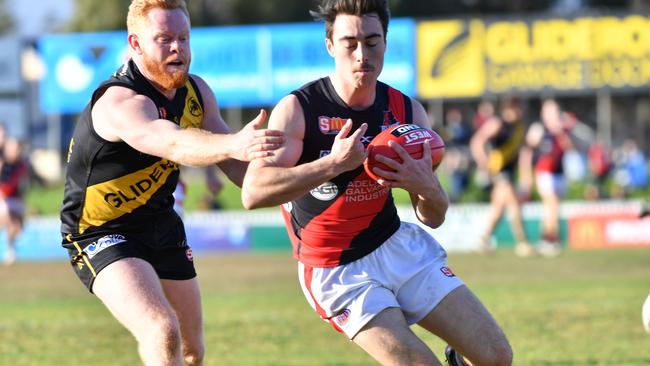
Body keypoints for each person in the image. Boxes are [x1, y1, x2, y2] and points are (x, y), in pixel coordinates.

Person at [241, 1, 512, 365]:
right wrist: (332, 164)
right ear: (330, 46)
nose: (361, 55)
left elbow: (434, 216)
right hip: (334, 268)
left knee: (496, 357)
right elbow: (254, 192)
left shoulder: (406, 111)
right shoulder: (298, 109)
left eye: (372, 42)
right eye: (350, 43)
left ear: (385, 42)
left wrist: (427, 187)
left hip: (395, 244)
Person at [59, 1, 284, 365]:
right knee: (161, 329)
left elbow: (237, 169)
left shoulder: (197, 92)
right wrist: (235, 143)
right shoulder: (119, 101)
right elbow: (172, 142)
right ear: (135, 44)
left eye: (183, 38)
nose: (178, 47)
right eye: (164, 39)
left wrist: (307, 181)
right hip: (100, 231)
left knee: (192, 350)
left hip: (161, 222)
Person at [470, 97, 536, 257]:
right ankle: (523, 243)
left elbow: (524, 150)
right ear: (510, 108)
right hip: (498, 171)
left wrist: (526, 175)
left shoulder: (518, 127)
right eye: (519, 108)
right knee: (514, 204)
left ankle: (483, 240)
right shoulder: (497, 123)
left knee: (499, 208)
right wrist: (483, 163)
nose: (521, 112)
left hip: (509, 171)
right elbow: (477, 142)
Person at [519, 98, 573, 257]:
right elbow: (526, 152)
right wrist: (526, 175)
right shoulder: (538, 129)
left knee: (551, 209)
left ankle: (545, 239)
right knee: (552, 203)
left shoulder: (561, 131)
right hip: (544, 173)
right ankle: (551, 239)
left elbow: (569, 148)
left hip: (559, 173)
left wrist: (561, 131)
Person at [0, 138, 29, 265]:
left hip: (16, 201)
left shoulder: (23, 166)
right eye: (10, 149)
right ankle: (10, 249)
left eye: (15, 149)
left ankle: (10, 248)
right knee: (8, 218)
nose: (12, 152)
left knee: (17, 227)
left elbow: (24, 186)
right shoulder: (3, 164)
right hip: (4, 199)